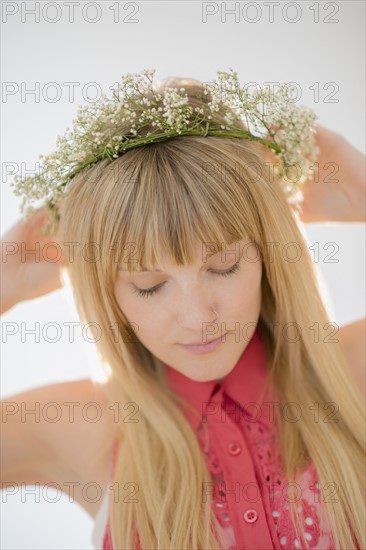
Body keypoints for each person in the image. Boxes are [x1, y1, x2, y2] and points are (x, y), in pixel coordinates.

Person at [1, 74, 365, 550]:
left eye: (224, 266)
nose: (197, 317)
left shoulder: (353, 372)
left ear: (268, 253)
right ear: (106, 293)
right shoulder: (82, 426)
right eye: (150, 287)